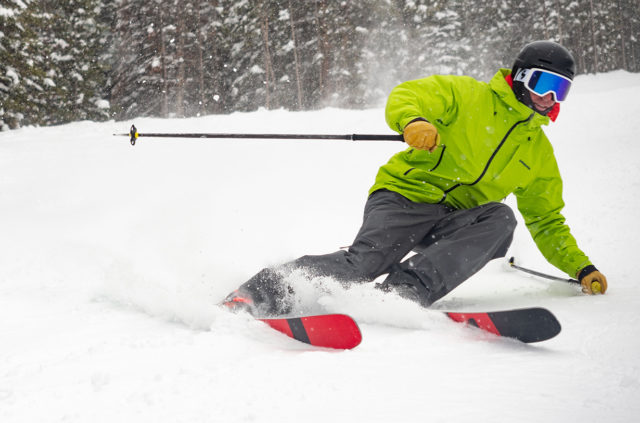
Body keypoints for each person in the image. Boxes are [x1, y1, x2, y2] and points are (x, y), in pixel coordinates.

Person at [223, 40, 608, 316]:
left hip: (455, 219)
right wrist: (414, 120)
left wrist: (580, 267)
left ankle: (404, 291)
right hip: (404, 198)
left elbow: (546, 219)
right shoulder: (467, 96)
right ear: (522, 77)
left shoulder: (538, 152)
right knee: (364, 263)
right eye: (544, 84)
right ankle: (257, 293)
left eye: (562, 90)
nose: (550, 98)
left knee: (501, 219)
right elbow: (409, 94)